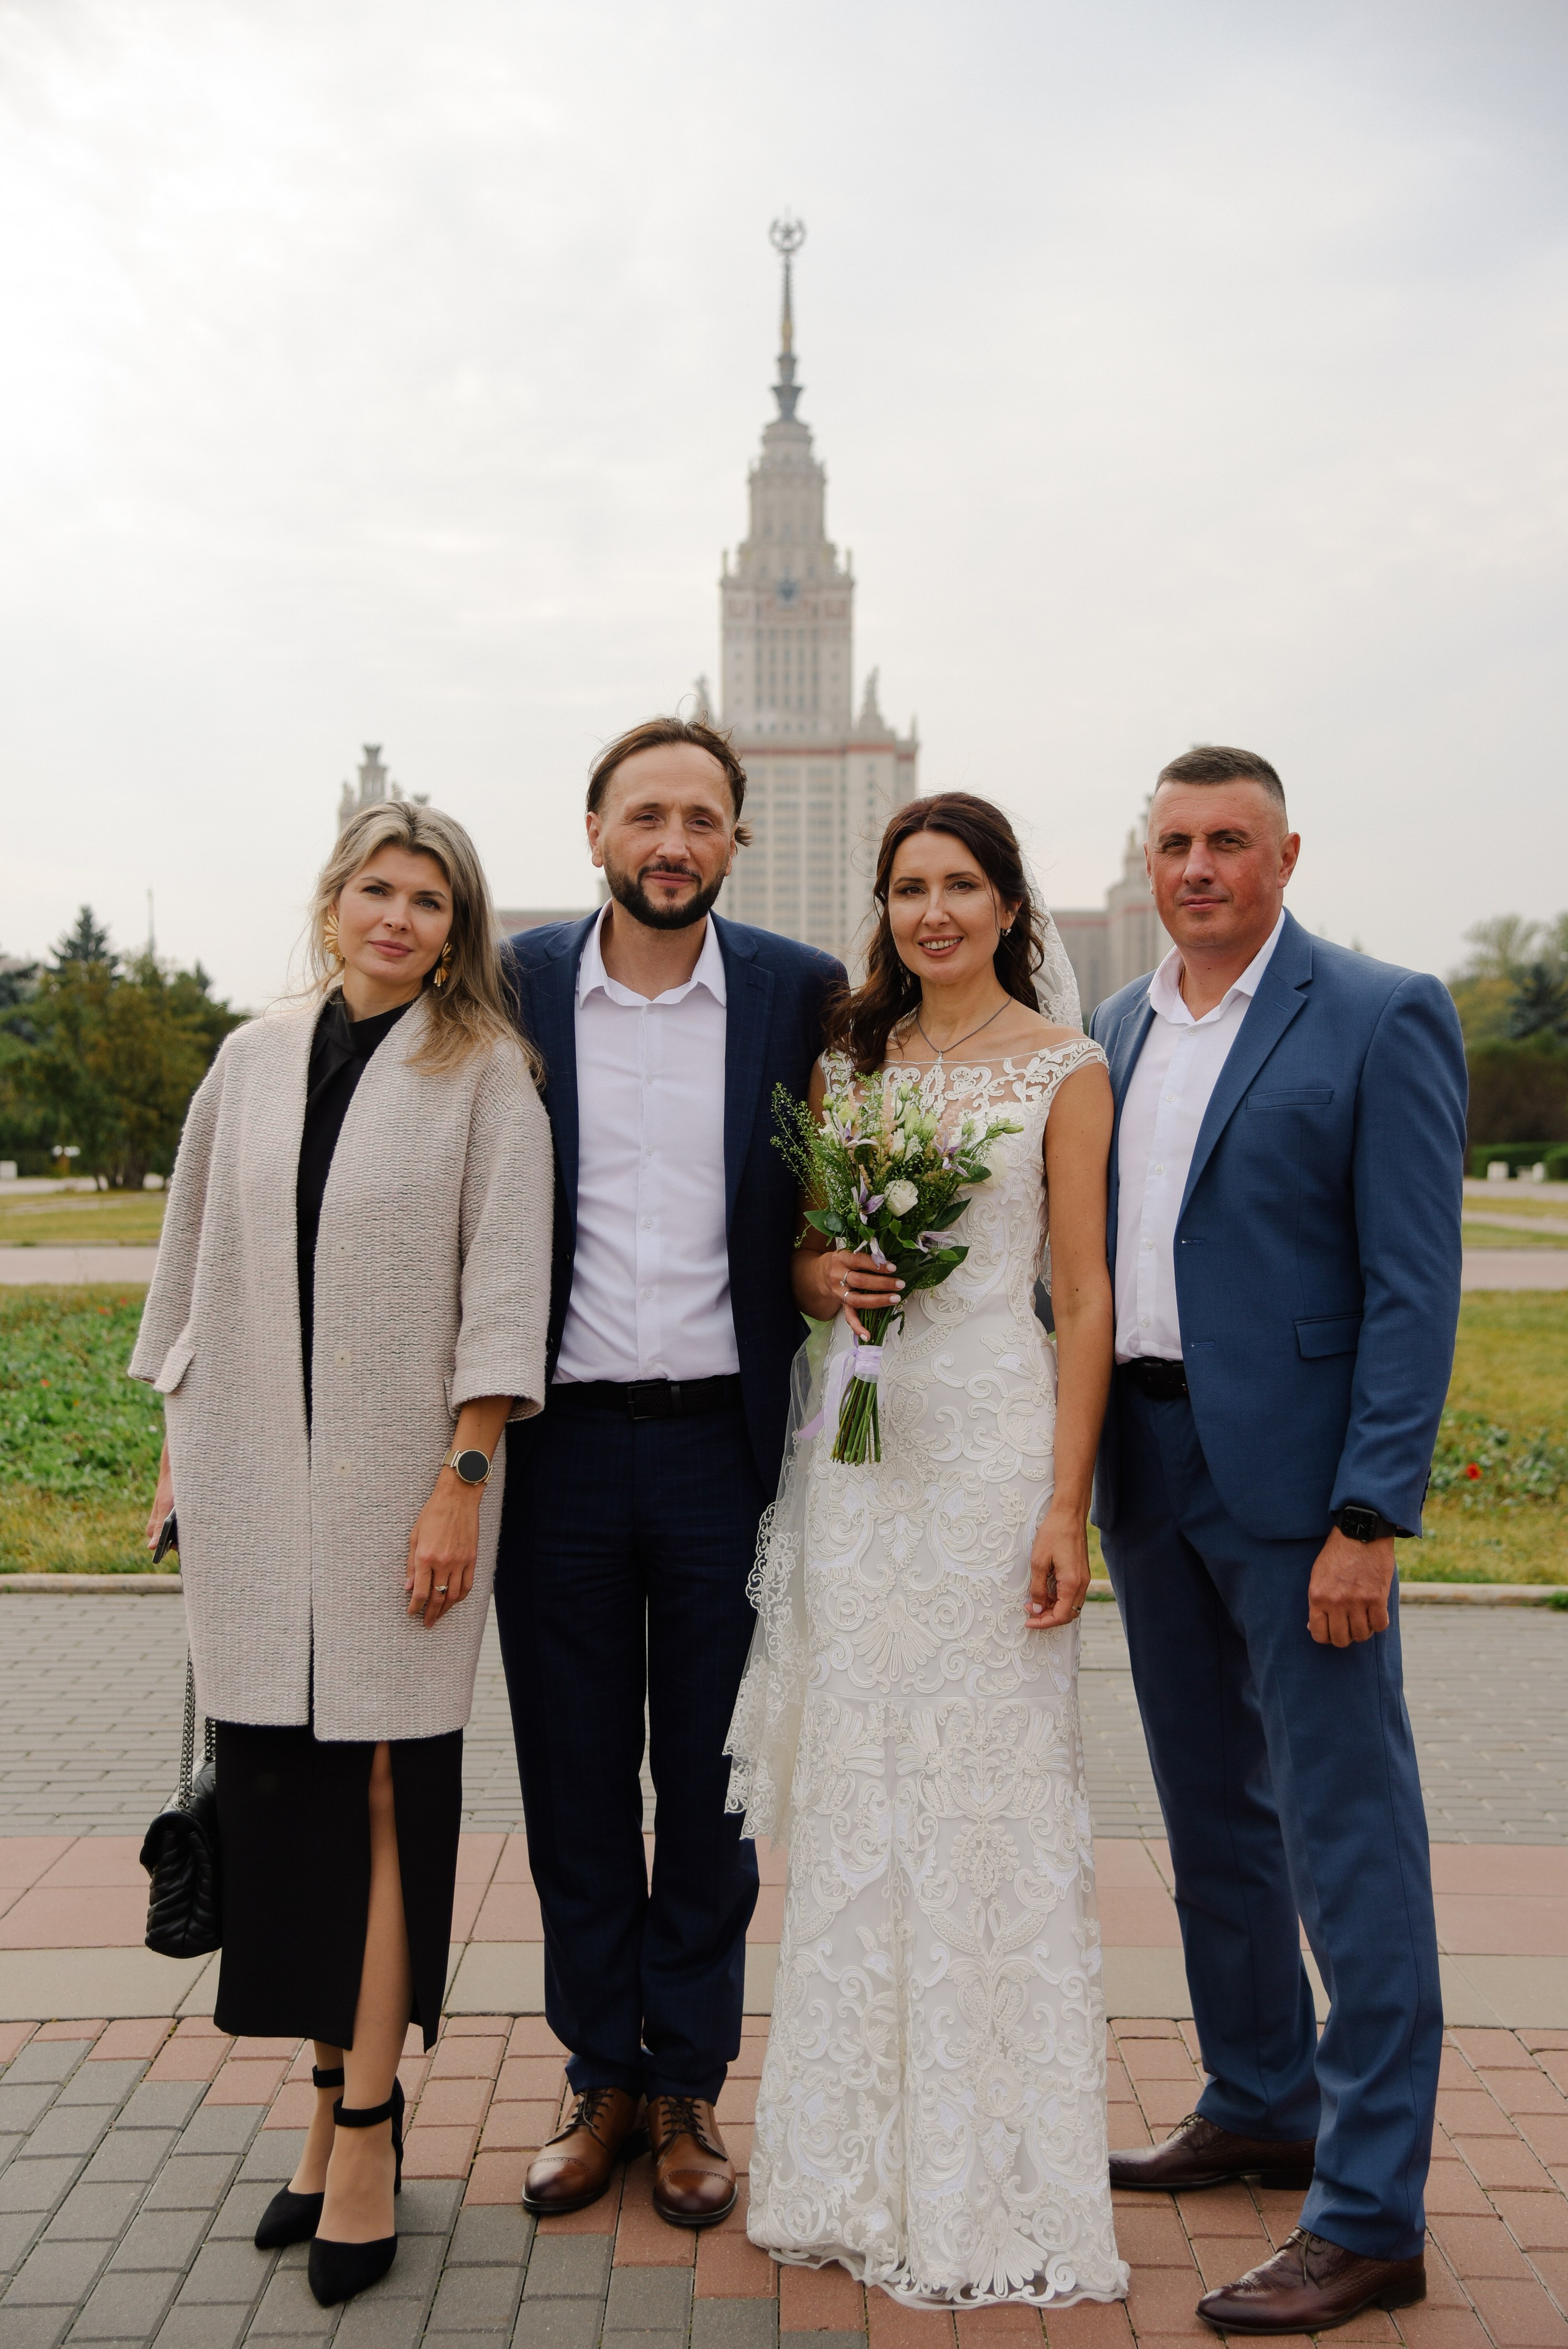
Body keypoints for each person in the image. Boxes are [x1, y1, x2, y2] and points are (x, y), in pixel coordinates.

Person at [132, 802, 551, 2309]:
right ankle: (320, 2115)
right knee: (291, 1804)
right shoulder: (250, 1057)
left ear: (455, 931)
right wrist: (178, 1444)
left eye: (429, 900)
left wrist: (462, 1479)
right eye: (377, 888)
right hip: (253, 1477)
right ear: (333, 903)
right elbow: (191, 1261)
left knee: (382, 1787)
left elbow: (505, 1294)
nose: (398, 916)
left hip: (407, 1490)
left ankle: (369, 2129)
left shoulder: (484, 1071)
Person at [729, 792, 1129, 2310]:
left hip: (987, 1460)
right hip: (859, 1459)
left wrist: (1064, 1504)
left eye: (960, 884)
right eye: (908, 887)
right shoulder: (848, 1065)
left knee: (984, 1792)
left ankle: (988, 2172)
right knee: (862, 1789)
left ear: (1008, 905)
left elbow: (1081, 1298)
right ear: (884, 908)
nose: (933, 912)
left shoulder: (1064, 1067)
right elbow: (799, 1255)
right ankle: (845, 2162)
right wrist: (822, 1273)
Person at [1090, 746, 1467, 2335]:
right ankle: (1259, 2095)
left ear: (1285, 855)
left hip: (1306, 1496)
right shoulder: (1116, 1025)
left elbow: (1412, 1286)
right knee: (1211, 1815)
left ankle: (1370, 2212)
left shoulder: (1379, 1013)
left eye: (1228, 840)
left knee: (1346, 1830)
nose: (1198, 866)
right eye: (1174, 840)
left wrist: (1367, 1514)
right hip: (1147, 1468)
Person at [494, 715, 843, 2228]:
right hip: (557, 1449)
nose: (672, 842)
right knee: (573, 1783)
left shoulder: (794, 992)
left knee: (712, 1790)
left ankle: (688, 2079)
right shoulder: (509, 985)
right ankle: (600, 2076)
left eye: (701, 818)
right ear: (595, 832)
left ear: (733, 839)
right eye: (645, 814)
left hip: (723, 1450)